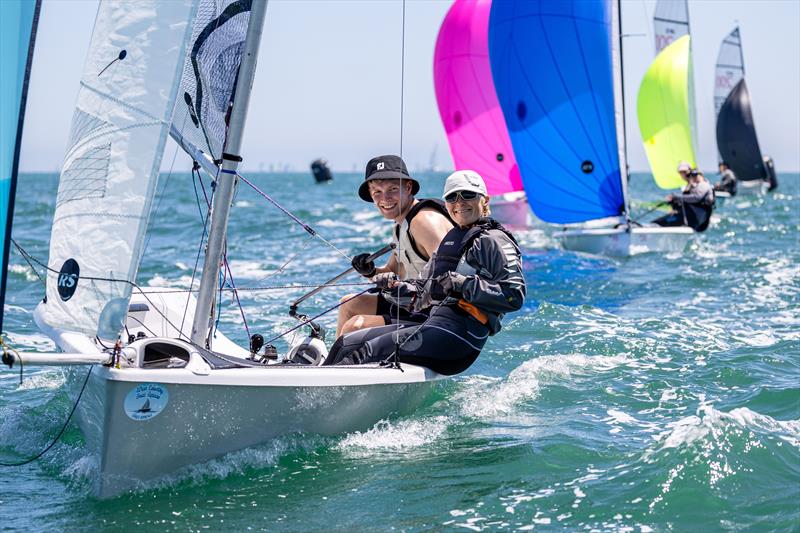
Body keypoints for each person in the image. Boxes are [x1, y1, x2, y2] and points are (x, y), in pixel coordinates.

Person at [324, 170, 526, 376]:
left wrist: (462, 284)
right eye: (452, 197)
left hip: (462, 334)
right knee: (347, 344)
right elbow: (420, 294)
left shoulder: (494, 239)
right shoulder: (451, 240)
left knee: (362, 353)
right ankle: (314, 385)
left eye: (468, 195)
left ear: (485, 200)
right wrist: (394, 286)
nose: (459, 202)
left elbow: (513, 296)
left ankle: (325, 397)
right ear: (446, 203)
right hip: (436, 325)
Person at [335, 155, 454, 337]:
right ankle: (333, 364)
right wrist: (370, 272)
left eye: (392, 189)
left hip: (441, 315)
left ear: (408, 188)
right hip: (417, 305)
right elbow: (394, 270)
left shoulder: (423, 221)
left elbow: (452, 274)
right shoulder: (401, 225)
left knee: (355, 326)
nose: (385, 198)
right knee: (349, 304)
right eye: (377, 192)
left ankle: (342, 363)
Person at [653, 163, 715, 232]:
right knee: (659, 222)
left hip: (694, 218)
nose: (684, 175)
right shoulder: (692, 186)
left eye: (685, 172)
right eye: (681, 173)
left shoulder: (703, 185)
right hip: (689, 216)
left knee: (658, 223)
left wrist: (676, 196)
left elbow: (696, 197)